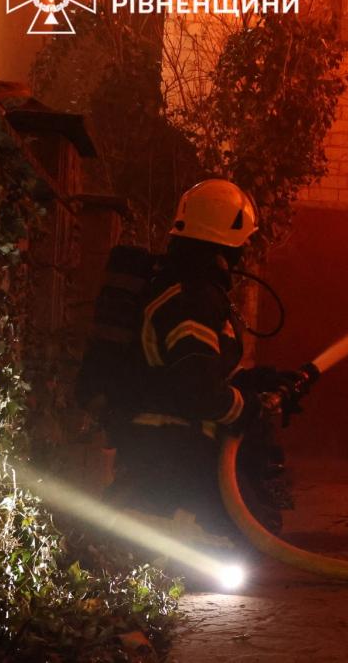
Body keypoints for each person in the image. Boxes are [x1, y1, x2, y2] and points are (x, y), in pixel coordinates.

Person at [108, 179, 305, 540]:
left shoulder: (188, 290)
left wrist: (257, 381)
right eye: (244, 242)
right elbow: (197, 389)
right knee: (237, 542)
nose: (246, 251)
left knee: (250, 532)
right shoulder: (192, 300)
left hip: (171, 448)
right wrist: (249, 408)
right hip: (170, 454)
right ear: (228, 244)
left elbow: (200, 368)